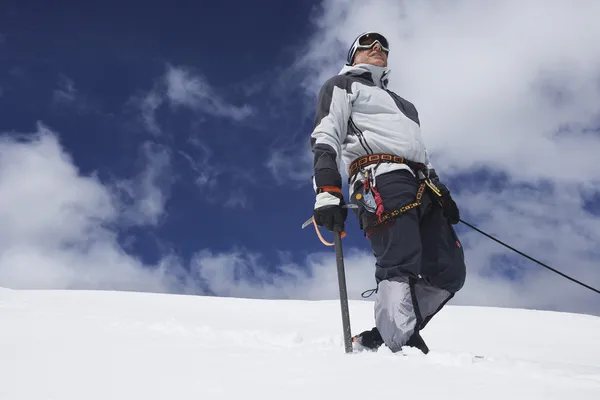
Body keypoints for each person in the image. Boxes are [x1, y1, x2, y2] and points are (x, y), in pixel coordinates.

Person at [309, 31, 467, 354]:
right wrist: (327, 189)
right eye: (367, 45)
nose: (377, 49)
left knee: (450, 270)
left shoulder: (406, 106)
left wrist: (443, 192)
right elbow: (327, 135)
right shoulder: (341, 86)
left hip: (422, 185)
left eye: (383, 46)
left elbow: (421, 152)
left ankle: (389, 331)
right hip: (378, 177)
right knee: (400, 259)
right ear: (353, 56)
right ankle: (401, 346)